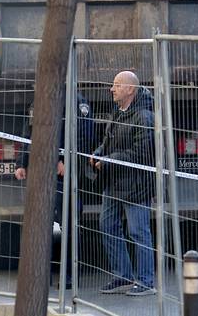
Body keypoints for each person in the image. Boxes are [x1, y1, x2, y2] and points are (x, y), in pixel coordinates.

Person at [15, 93, 94, 286]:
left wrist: (66, 160)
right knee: (41, 224)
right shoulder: (39, 97)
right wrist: (21, 163)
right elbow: (30, 133)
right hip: (41, 170)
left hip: (64, 172)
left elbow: (84, 135)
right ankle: (41, 274)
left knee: (69, 224)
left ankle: (69, 275)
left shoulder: (76, 100)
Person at [90, 70, 155, 296]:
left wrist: (109, 160)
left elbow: (141, 153)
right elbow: (108, 142)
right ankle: (123, 275)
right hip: (115, 181)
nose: (112, 89)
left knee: (138, 232)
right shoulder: (118, 112)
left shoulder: (145, 117)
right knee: (107, 225)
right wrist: (99, 153)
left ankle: (146, 281)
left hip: (136, 185)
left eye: (117, 85)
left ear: (130, 89)